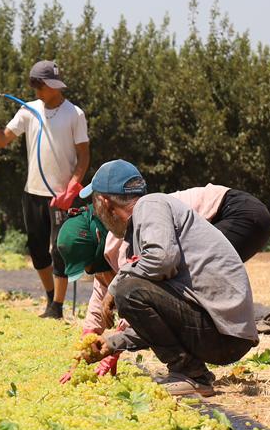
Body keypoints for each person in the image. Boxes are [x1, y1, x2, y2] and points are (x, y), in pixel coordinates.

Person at [73, 160, 259, 397]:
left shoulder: (150, 205)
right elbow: (160, 320)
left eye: (94, 204)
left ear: (104, 202)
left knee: (127, 290)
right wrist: (112, 343)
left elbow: (162, 260)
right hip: (223, 334)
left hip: (223, 332)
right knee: (130, 287)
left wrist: (115, 285)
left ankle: (191, 374)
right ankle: (192, 373)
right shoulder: (142, 232)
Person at [0, 59, 90, 319]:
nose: (35, 91)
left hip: (60, 197)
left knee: (59, 249)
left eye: (39, 85)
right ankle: (49, 299)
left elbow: (84, 157)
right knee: (37, 249)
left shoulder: (74, 115)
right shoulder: (28, 111)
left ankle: (57, 306)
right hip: (32, 193)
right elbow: (1, 141)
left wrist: (72, 188)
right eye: (34, 85)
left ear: (53, 86)